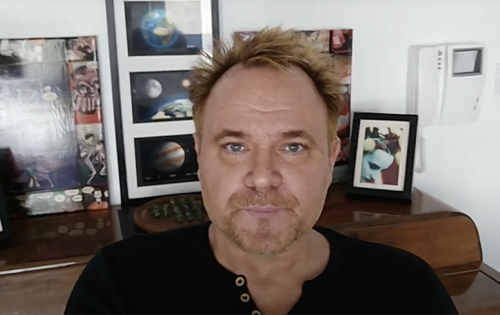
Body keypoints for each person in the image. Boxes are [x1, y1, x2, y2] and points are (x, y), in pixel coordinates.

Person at [64, 27, 458, 315]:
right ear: (200, 156)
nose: (263, 176)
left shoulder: (409, 291)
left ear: (332, 156)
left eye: (293, 146)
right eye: (235, 146)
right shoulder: (118, 286)